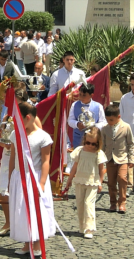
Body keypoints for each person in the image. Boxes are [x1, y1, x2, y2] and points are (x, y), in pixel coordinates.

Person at [8, 102, 55, 255]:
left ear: (27, 118)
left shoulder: (43, 137)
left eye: (18, 119)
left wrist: (41, 183)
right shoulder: (16, 134)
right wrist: (10, 179)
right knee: (21, 209)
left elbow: (46, 161)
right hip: (19, 177)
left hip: (34, 177)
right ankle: (27, 242)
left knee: (36, 210)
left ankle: (36, 243)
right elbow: (13, 157)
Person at [65, 127, 107, 239]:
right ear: (84, 140)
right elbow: (74, 167)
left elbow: (101, 169)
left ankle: (89, 228)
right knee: (80, 204)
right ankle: (82, 226)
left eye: (94, 144)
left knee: (89, 204)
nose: (90, 146)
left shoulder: (98, 153)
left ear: (98, 143)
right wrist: (69, 181)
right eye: (88, 143)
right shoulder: (79, 151)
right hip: (79, 181)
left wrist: (100, 182)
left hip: (93, 182)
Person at [102, 105, 134, 213]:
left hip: (122, 158)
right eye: (107, 119)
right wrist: (101, 159)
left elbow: (131, 144)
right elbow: (102, 145)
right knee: (111, 182)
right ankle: (113, 202)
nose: (109, 122)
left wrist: (131, 159)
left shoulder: (126, 127)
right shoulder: (104, 128)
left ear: (118, 117)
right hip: (110, 158)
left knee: (122, 178)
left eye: (111, 120)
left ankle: (122, 202)